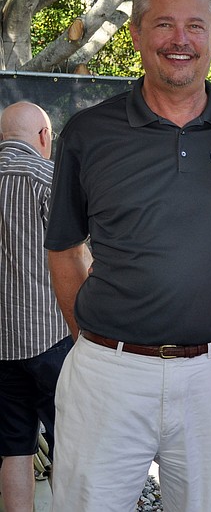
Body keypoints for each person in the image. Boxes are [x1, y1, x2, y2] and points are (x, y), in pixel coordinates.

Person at [44, 0, 211, 512]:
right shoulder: (89, 133)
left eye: (195, 26)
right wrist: (96, 342)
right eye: (164, 24)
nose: (180, 40)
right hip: (108, 375)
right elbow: (63, 248)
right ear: (136, 34)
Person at [0, 102, 76, 512]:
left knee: (14, 449)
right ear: (45, 137)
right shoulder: (48, 177)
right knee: (72, 442)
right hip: (52, 336)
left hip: (1, 346)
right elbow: (80, 253)